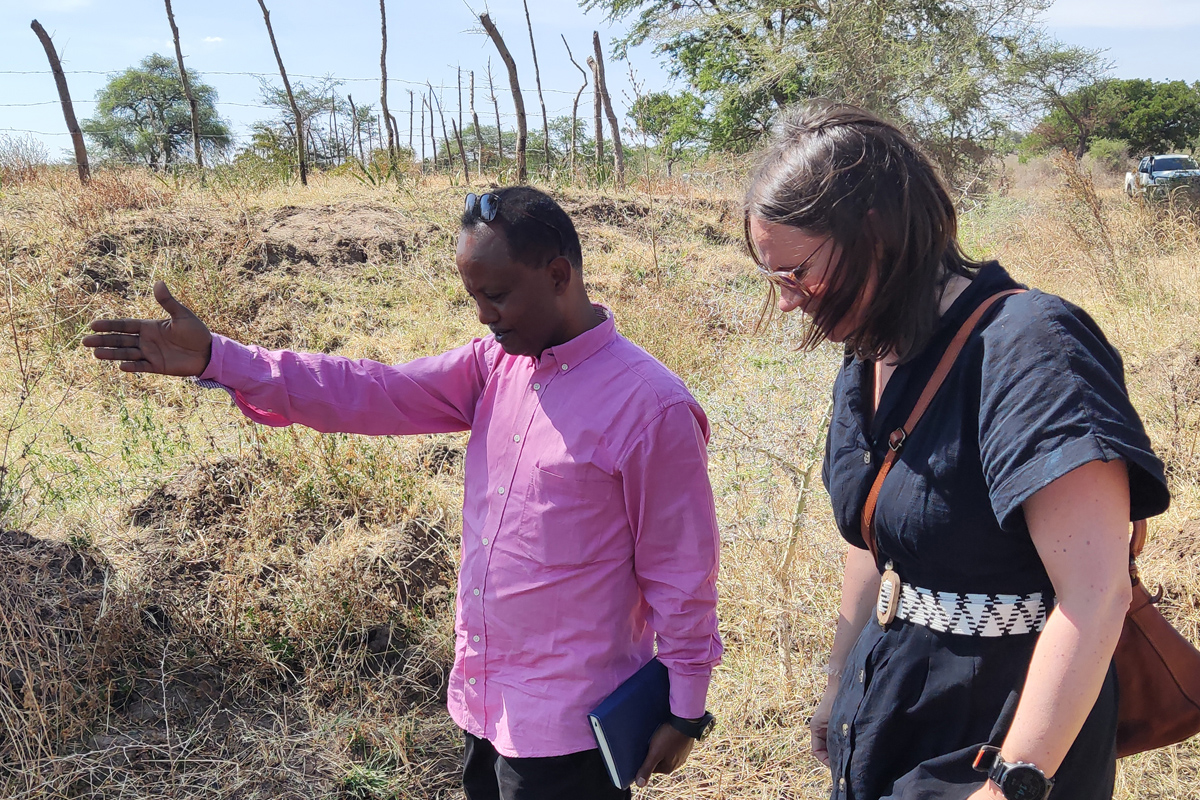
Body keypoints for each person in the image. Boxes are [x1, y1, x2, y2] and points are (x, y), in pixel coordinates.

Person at [83, 186, 722, 800]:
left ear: (558, 276)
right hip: (484, 703)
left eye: (497, 295)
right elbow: (369, 389)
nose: (483, 315)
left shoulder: (650, 408)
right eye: (473, 296)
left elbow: (682, 572)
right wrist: (218, 359)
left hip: (570, 731)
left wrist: (685, 711)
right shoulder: (496, 365)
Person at [743, 103, 1170, 800]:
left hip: (1002, 732)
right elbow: (878, 537)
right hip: (888, 710)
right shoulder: (869, 352)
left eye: (797, 273)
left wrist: (1011, 781)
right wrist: (837, 682)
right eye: (775, 279)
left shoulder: (1033, 347)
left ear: (874, 235)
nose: (788, 301)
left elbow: (1095, 594)